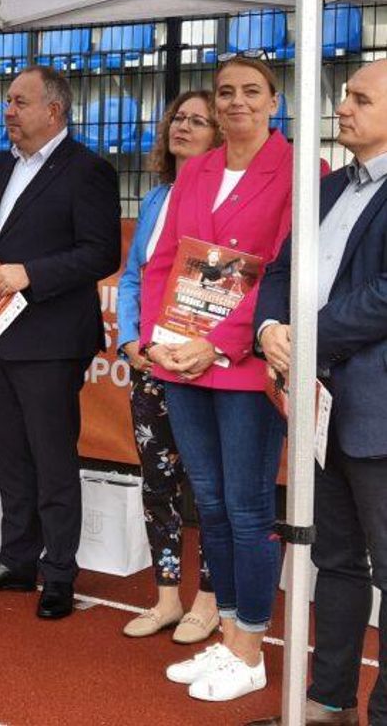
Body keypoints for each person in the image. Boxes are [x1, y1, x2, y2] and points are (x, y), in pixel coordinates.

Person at [140, 56, 324, 702]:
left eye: (251, 91)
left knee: (247, 511)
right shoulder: (196, 170)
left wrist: (213, 344)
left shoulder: (305, 172)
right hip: (181, 364)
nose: (237, 102)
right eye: (226, 92)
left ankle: (251, 646)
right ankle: (226, 633)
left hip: (246, 369)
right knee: (210, 506)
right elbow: (162, 262)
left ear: (275, 100)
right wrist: (156, 342)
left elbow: (288, 277)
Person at [0, 66, 122, 619]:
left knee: (51, 458)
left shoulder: (89, 170)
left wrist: (31, 274)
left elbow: (101, 253)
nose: (8, 111)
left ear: (54, 111)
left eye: (20, 102)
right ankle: (17, 559)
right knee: (9, 456)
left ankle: (59, 573)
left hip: (51, 337)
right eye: (7, 102)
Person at [249, 59, 387, 726]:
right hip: (321, 409)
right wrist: (271, 326)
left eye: (360, 97)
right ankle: (329, 702)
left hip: (376, 412)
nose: (343, 105)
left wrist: (304, 336)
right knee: (334, 561)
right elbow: (279, 270)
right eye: (345, 94)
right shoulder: (331, 190)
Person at [116, 92, 220, 642]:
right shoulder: (156, 198)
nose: (183, 126)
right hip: (150, 364)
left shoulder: (223, 196)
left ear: (219, 135)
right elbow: (134, 276)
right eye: (178, 117)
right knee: (157, 483)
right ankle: (165, 598)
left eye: (198, 121)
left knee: (205, 488)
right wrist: (131, 339)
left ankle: (208, 600)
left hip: (204, 366)